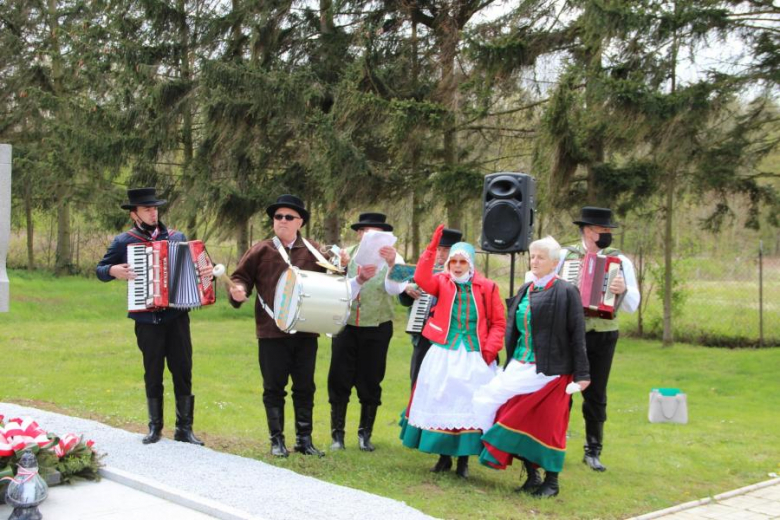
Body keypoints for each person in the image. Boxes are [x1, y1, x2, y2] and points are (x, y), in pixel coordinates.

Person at [228, 195, 376, 458]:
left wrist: (348, 270)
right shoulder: (262, 250)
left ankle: (304, 440)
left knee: (305, 387)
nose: (282, 221)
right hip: (272, 331)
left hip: (307, 331)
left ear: (300, 222)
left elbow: (335, 284)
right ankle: (277, 440)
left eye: (288, 217)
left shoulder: (315, 251)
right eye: (278, 217)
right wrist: (238, 290)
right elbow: (240, 278)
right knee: (274, 387)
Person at [474, 236, 590, 497]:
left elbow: (577, 334)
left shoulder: (566, 291)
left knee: (548, 426)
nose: (534, 261)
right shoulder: (527, 289)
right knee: (513, 417)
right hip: (521, 366)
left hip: (552, 371)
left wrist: (582, 374)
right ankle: (532, 474)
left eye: (541, 257)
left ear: (555, 263)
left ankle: (552, 481)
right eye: (532, 256)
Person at [97, 187, 211, 446]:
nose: (153, 213)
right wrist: (113, 270)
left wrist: (204, 273)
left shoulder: (176, 237)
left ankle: (184, 429)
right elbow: (100, 270)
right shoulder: (124, 241)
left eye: (155, 208)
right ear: (134, 214)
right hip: (146, 319)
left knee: (183, 370)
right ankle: (154, 427)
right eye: (147, 209)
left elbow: (196, 265)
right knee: (153, 371)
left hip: (177, 317)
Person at [400, 225, 506, 479]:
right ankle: (443, 457)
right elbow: (422, 278)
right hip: (444, 353)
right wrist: (430, 249)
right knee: (442, 400)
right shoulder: (440, 282)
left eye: (462, 262)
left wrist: (488, 353)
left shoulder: (487, 287)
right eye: (453, 261)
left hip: (474, 355)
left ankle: (463, 462)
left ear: (470, 264)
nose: (457, 266)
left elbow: (499, 323)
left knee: (470, 405)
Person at [564, 207, 639, 472]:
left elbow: (632, 306)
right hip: (570, 334)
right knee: (563, 390)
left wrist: (623, 290)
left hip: (604, 334)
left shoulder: (621, 262)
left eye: (609, 230)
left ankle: (593, 450)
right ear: (587, 231)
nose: (607, 234)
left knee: (596, 393)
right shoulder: (566, 257)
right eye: (602, 230)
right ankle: (555, 443)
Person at [328, 212, 407, 452]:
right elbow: (336, 292)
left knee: (371, 380)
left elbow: (396, 290)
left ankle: (365, 434)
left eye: (375, 233)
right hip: (346, 325)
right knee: (339, 379)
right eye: (365, 232)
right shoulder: (343, 256)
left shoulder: (396, 258)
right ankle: (337, 435)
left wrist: (393, 264)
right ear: (359, 234)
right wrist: (351, 275)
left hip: (378, 326)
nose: (369, 236)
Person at [398, 228, 462, 386]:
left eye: (446, 250)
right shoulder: (422, 271)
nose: (440, 254)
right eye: (438, 249)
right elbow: (405, 301)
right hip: (423, 336)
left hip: (450, 338)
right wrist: (406, 290)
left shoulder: (464, 275)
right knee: (418, 381)